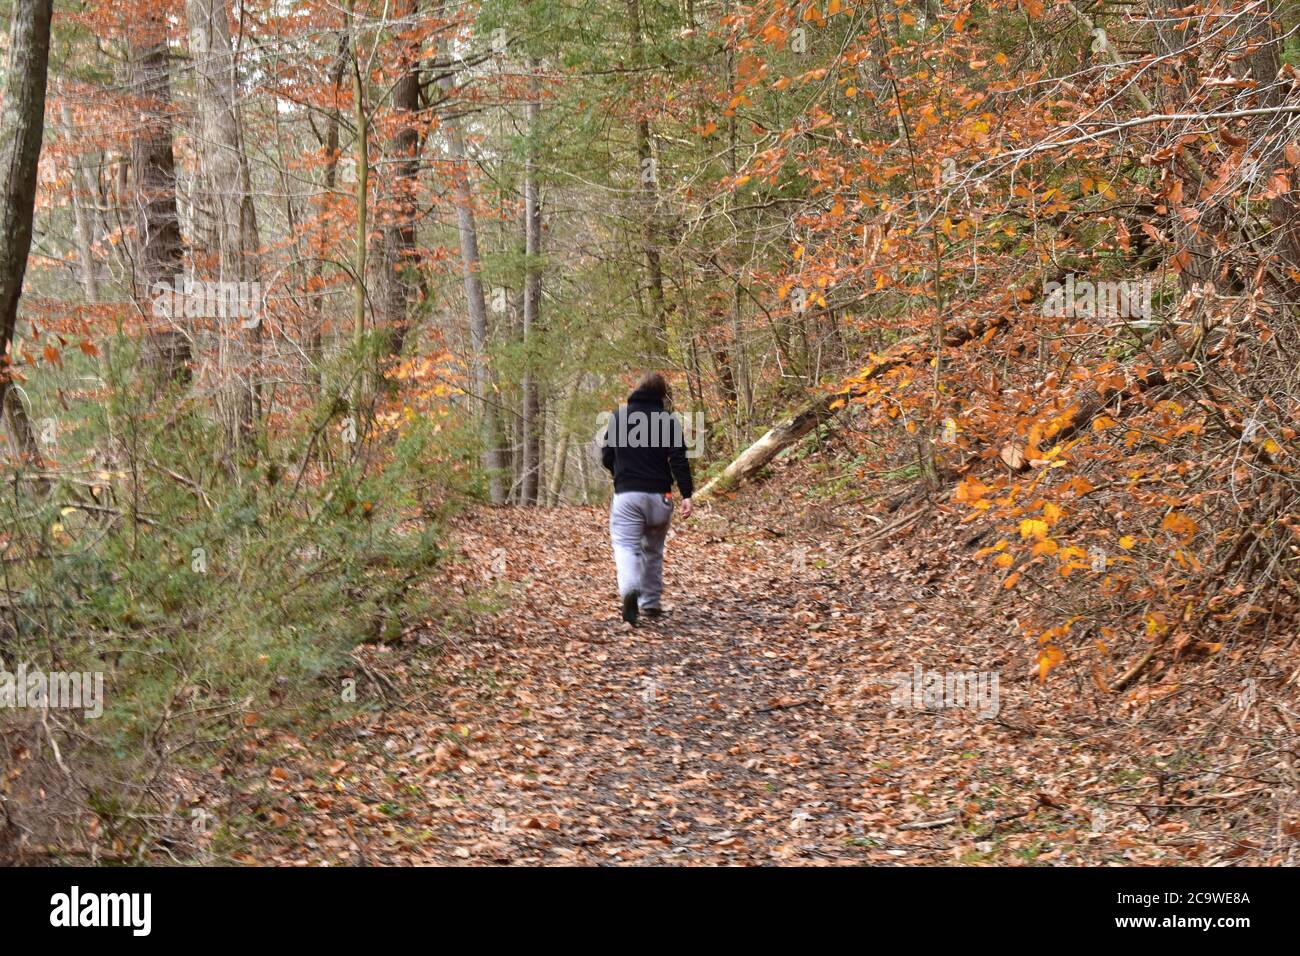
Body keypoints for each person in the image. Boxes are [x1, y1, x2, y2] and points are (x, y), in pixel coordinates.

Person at [599, 372, 694, 625]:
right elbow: (679, 459)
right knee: (653, 551)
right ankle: (651, 604)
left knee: (626, 546)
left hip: (628, 495)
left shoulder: (618, 418)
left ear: (637, 389)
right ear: (662, 395)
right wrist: (687, 494)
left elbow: (606, 457)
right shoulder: (667, 420)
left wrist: (620, 473)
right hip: (660, 496)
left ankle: (630, 589)